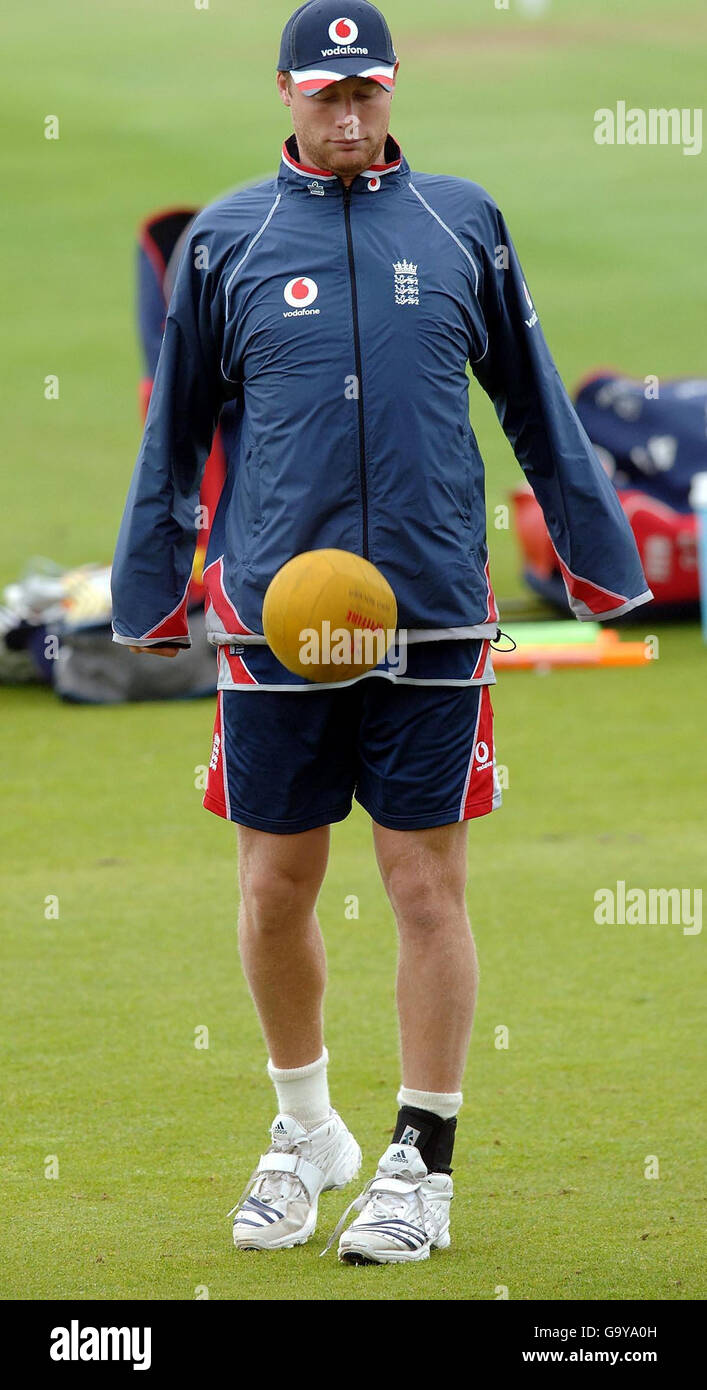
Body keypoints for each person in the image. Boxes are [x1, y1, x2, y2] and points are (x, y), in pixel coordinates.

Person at [111, 0, 651, 1265]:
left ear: (393, 90)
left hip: (433, 620)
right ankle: (307, 1133)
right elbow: (174, 428)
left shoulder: (462, 221)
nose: (348, 115)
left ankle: (420, 1160)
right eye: (324, 95)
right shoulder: (225, 241)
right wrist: (149, 589)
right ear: (287, 96)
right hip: (270, 628)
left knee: (422, 884)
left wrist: (596, 556)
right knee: (272, 887)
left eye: (367, 93)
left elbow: (529, 394)